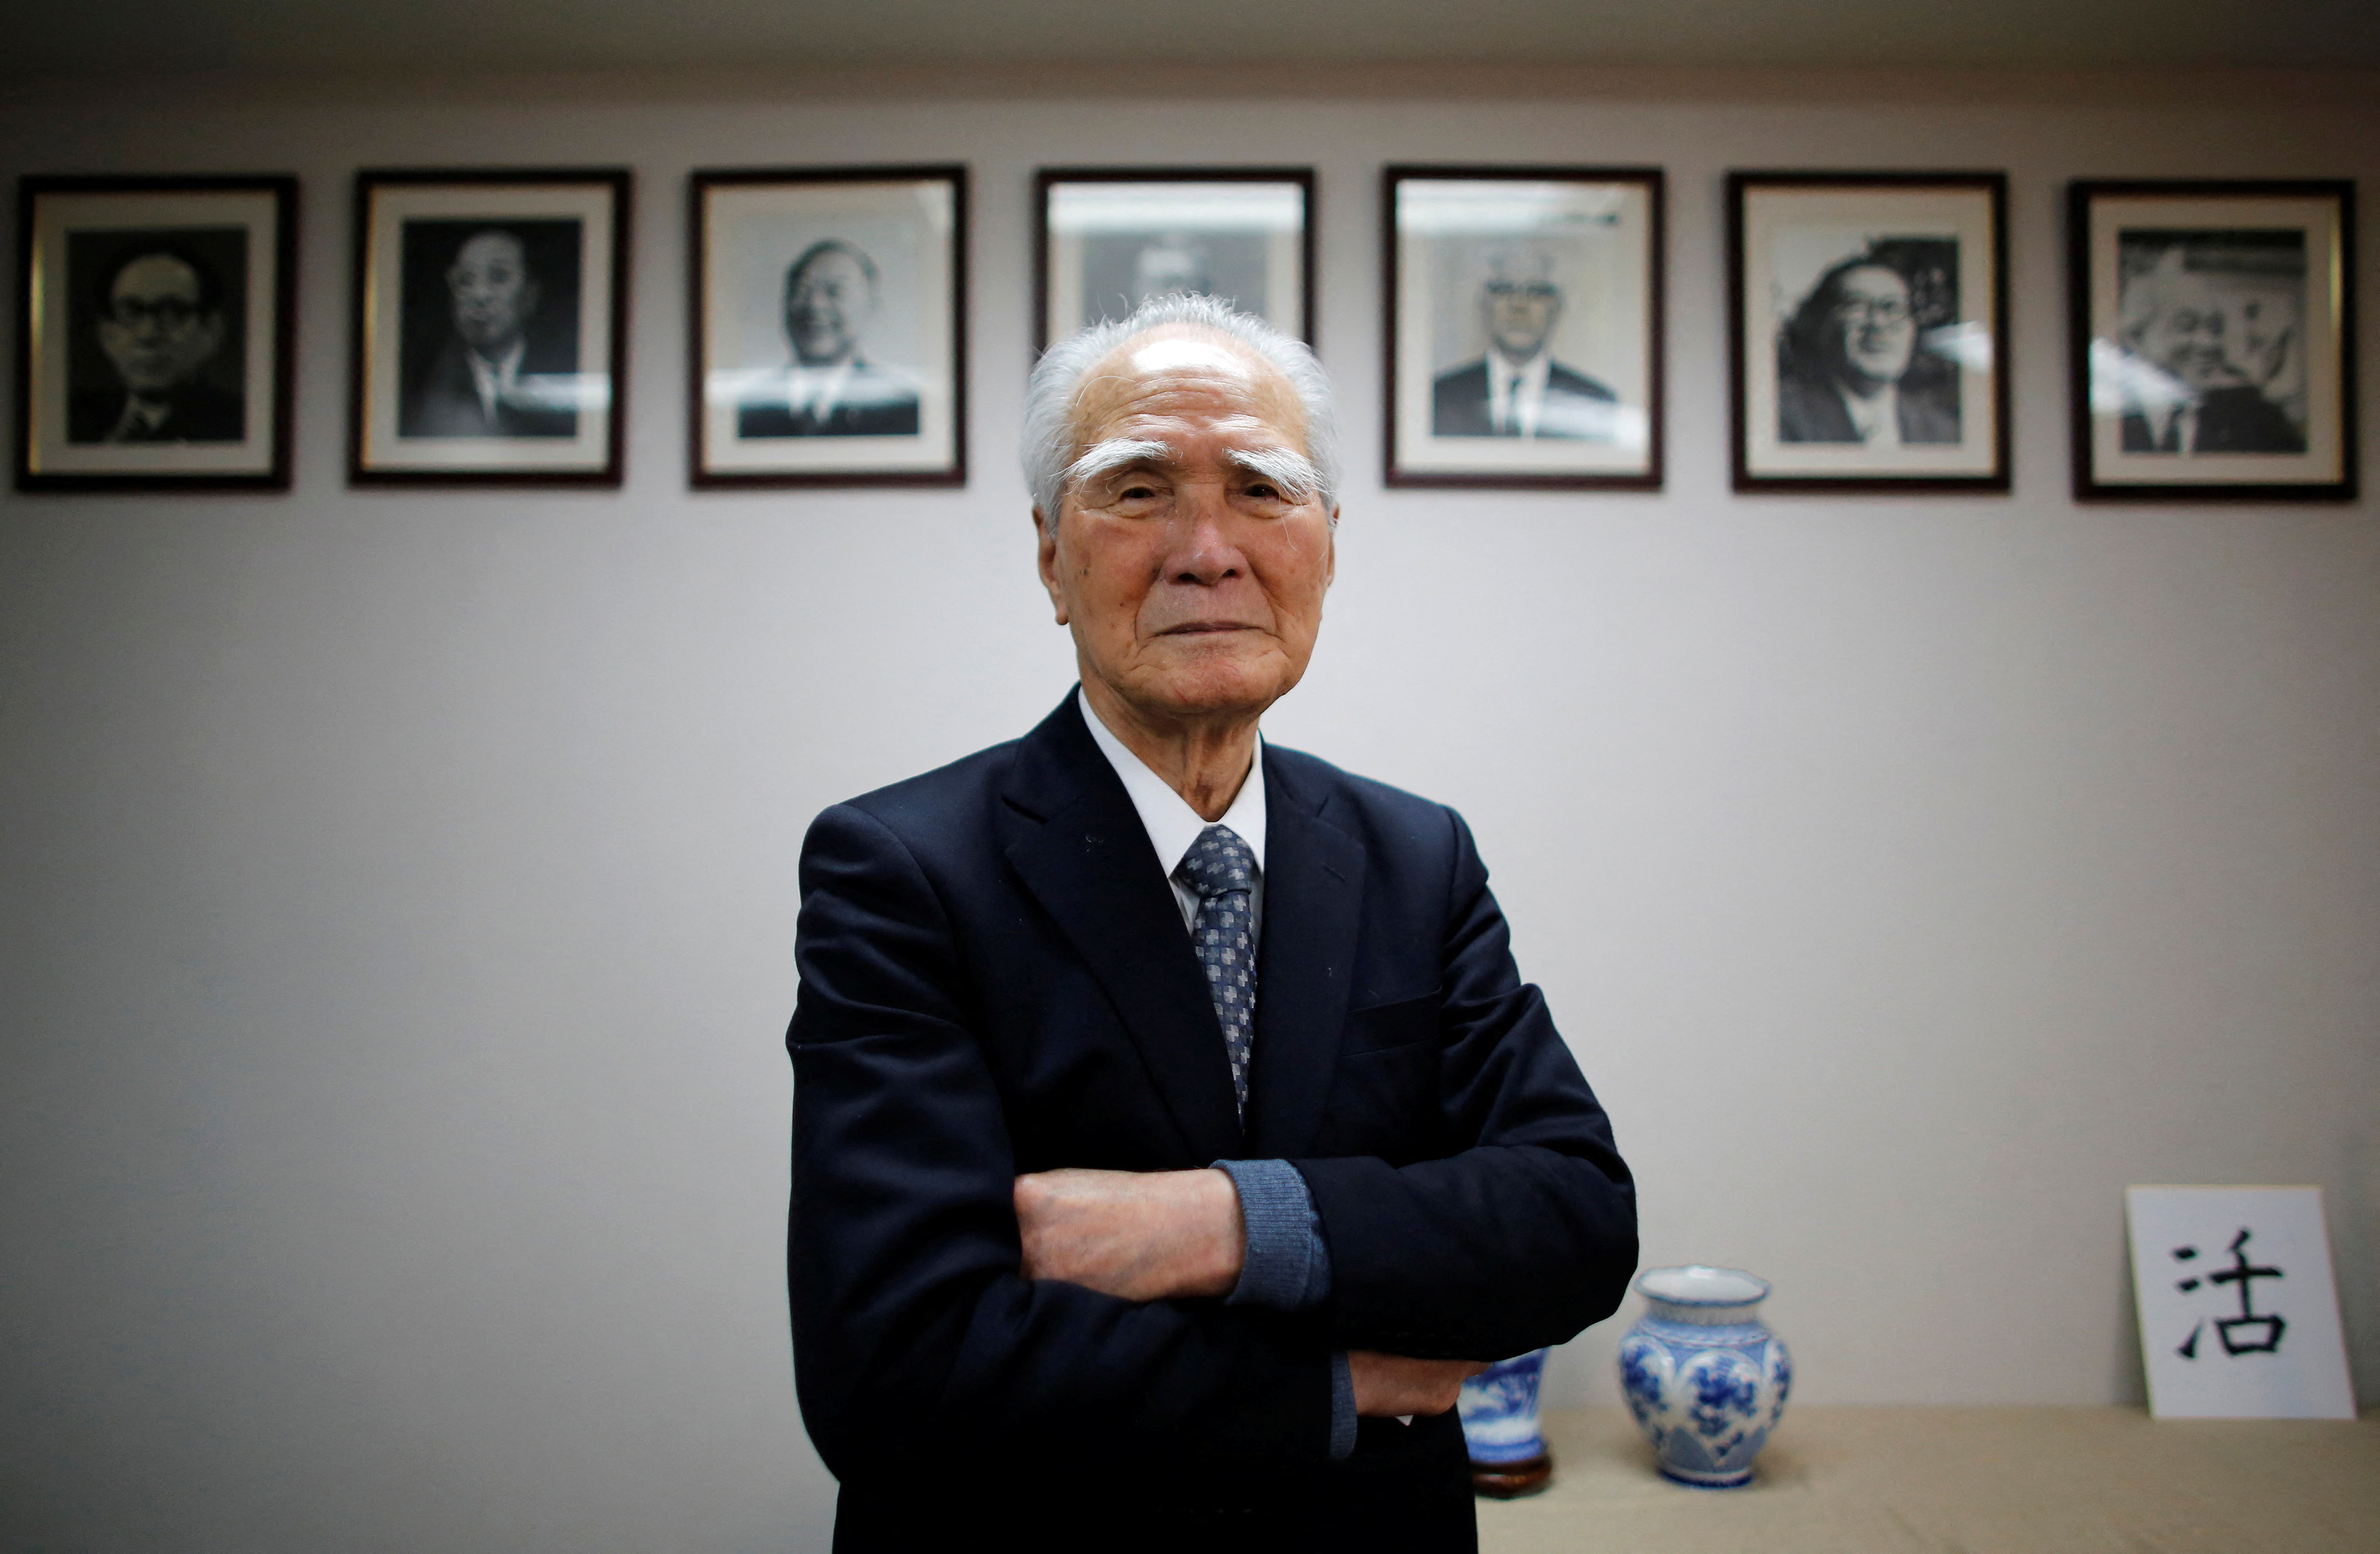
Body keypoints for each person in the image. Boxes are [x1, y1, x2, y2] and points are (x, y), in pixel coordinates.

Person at [787, 294, 1637, 1552]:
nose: (1207, 548)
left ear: (1329, 545)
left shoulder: (1417, 857)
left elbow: (1572, 1220)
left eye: (1262, 488)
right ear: (1048, 556)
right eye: (1136, 490)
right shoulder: (902, 869)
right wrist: (1338, 1385)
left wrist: (1222, 1225)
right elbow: (898, 1365)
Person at [2113, 247, 2304, 454]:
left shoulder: (2255, 417)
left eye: (2215, 328)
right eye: (2186, 326)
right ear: (2136, 338)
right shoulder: (2108, 416)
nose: (2209, 343)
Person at [401, 227, 579, 438]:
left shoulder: (565, 376)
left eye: (498, 277)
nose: (480, 296)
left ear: (530, 295)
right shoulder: (421, 379)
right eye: (465, 280)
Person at [1431, 245, 1618, 440]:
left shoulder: (1596, 403)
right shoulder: (1438, 397)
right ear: (1484, 304)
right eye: (1503, 289)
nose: (1519, 305)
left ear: (1557, 307)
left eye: (1537, 291)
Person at [736, 239, 921, 438]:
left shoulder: (902, 406)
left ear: (872, 308)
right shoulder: (746, 405)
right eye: (803, 290)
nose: (815, 305)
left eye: (835, 292)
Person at [1775, 250, 1959, 446]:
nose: (1877, 323)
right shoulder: (1781, 418)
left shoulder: (1943, 432)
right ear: (1822, 325)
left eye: (1893, 308)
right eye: (1857, 307)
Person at [68, 245, 243, 444]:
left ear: (211, 330)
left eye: (172, 313)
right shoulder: (74, 419)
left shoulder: (236, 426)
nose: (148, 334)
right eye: (131, 313)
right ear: (106, 333)